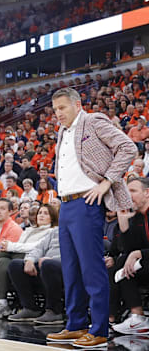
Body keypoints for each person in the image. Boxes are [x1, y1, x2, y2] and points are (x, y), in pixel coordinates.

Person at [46, 87, 136, 348]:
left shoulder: (93, 120)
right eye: (54, 110)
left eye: (62, 108)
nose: (58, 114)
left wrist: (106, 182)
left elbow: (127, 147)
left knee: (92, 269)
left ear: (77, 104)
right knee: (71, 269)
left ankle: (98, 330)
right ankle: (75, 325)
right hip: (66, 205)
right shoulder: (62, 132)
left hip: (87, 202)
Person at [110, 177, 149, 335]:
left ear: (147, 193)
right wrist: (124, 224)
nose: (128, 195)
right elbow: (129, 249)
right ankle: (137, 317)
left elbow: (136, 251)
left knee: (126, 260)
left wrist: (138, 253)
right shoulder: (138, 217)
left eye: (132, 191)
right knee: (122, 262)